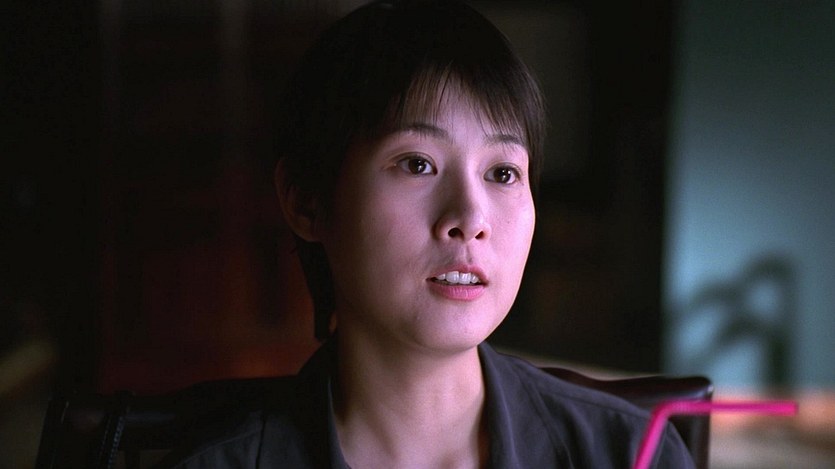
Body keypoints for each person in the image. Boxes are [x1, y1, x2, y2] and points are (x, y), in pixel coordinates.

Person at [161, 0, 696, 467]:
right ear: (307, 202)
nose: (471, 217)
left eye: (503, 172)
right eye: (417, 163)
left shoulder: (629, 453)